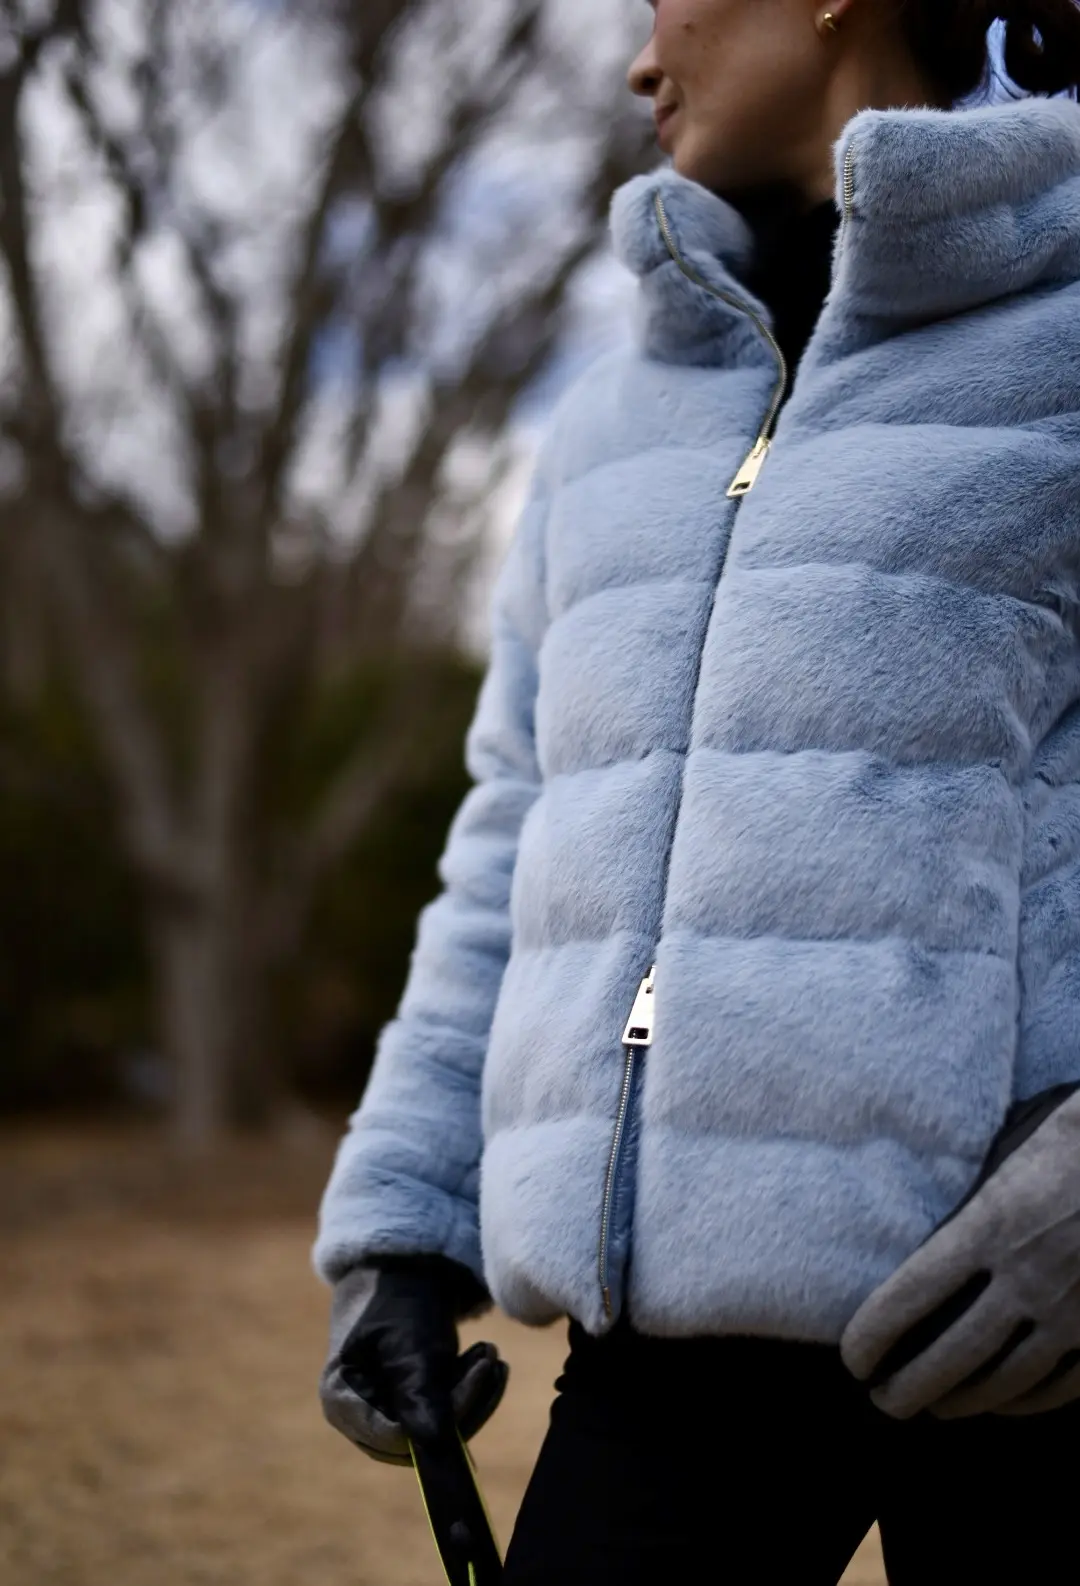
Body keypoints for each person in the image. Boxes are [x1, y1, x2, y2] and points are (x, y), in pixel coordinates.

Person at [315, 1, 1080, 1579]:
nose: (639, 60)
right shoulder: (606, 425)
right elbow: (514, 837)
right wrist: (404, 1231)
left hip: (1039, 1328)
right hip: (671, 1345)